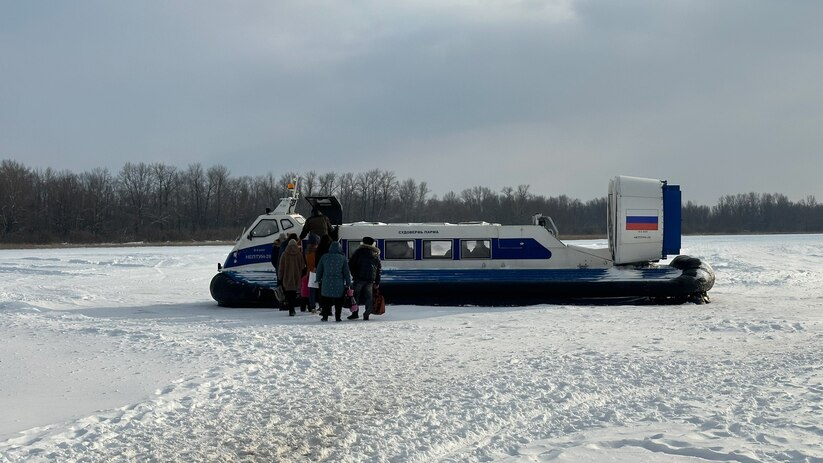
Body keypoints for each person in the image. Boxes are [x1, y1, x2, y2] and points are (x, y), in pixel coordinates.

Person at [315, 241, 351, 322]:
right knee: (338, 302)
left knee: (325, 301)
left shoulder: (324, 257)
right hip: (338, 284)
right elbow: (346, 272)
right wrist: (348, 282)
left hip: (326, 283)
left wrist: (318, 279)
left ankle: (325, 317)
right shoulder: (342, 258)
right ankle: (338, 317)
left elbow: (319, 269)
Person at [348, 236, 381, 321]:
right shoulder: (375, 254)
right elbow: (378, 269)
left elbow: (351, 264)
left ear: (363, 243)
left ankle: (355, 313)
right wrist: (377, 281)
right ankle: (367, 315)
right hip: (370, 279)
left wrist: (354, 274)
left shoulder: (358, 252)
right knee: (369, 297)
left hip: (359, 278)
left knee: (355, 296)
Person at [278, 239, 306, 316]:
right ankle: (292, 308)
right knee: (293, 294)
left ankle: (291, 309)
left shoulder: (284, 254)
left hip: (286, 278)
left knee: (288, 294)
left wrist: (280, 278)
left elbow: (281, 267)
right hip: (296, 277)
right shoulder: (299, 254)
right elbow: (303, 266)